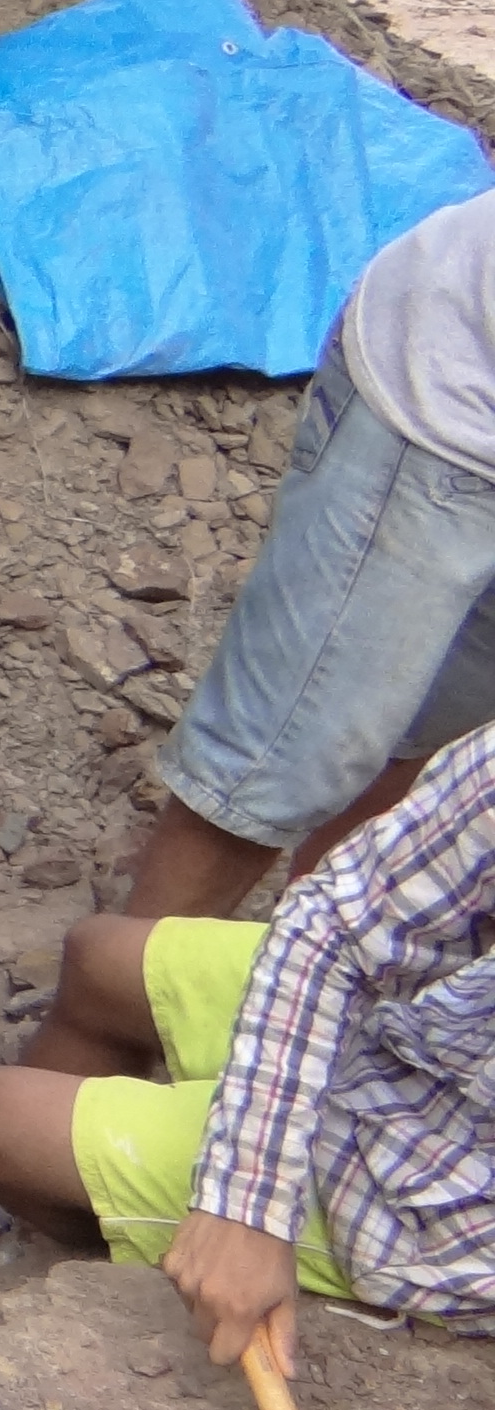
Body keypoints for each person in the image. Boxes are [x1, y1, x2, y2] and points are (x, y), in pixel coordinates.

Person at [0, 725, 495, 1360]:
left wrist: (248, 1213)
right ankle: (40, 1203)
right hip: (449, 1023)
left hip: (440, 1197)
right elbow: (336, 925)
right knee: (100, 955)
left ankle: (62, 1251)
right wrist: (247, 1187)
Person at [119, 190, 495, 918]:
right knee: (286, 755)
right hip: (447, 400)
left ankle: (307, 956)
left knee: (436, 747)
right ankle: (124, 1007)